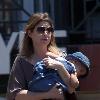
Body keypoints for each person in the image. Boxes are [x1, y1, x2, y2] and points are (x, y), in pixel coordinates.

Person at [6, 12, 79, 100]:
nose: (46, 33)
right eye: (41, 29)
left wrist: (60, 67)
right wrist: (47, 94)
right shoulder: (21, 61)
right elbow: (15, 95)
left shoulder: (62, 57)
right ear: (30, 33)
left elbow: (72, 91)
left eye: (49, 30)